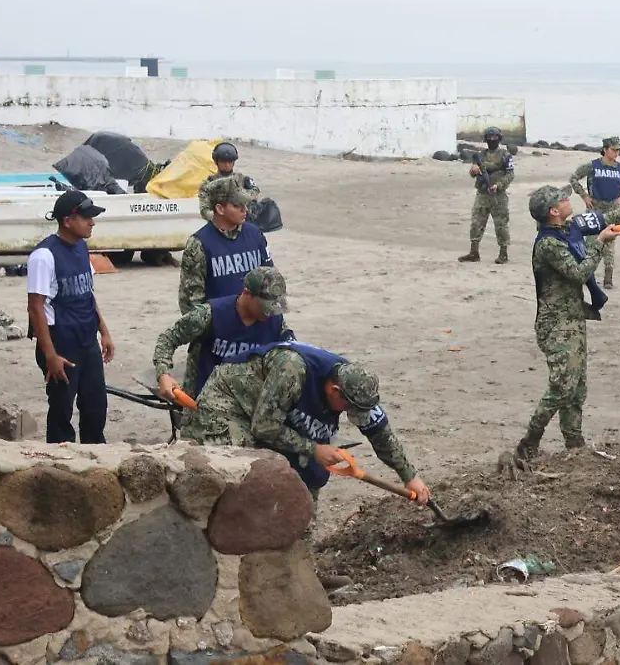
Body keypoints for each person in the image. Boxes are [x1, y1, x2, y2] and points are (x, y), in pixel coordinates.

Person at [514, 185, 620, 459]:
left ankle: (574, 445)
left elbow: (613, 216)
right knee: (562, 386)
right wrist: (599, 243)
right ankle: (530, 441)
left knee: (577, 388)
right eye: (563, 199)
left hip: (574, 319)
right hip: (555, 326)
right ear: (553, 211)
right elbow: (578, 273)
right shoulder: (548, 243)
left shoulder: (572, 227)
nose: (568, 200)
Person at [183, 340, 430, 505]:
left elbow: (380, 433)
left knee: (311, 473)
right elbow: (264, 427)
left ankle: (301, 554)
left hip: (279, 410)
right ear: (334, 390)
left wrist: (409, 476)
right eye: (348, 408)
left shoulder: (357, 388)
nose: (352, 414)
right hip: (231, 403)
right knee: (244, 472)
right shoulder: (293, 369)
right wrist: (313, 448)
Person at [27, 190, 116, 445]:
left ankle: (95, 454)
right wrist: (50, 356)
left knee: (96, 407)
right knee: (61, 409)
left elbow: (87, 294)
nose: (92, 222)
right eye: (86, 218)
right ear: (67, 221)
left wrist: (104, 332)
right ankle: (59, 458)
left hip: (86, 339)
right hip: (61, 342)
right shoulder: (44, 256)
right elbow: (35, 308)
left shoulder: (81, 247)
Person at [153, 266, 295, 401]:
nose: (270, 313)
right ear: (247, 293)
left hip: (250, 401)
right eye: (265, 306)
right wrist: (163, 374)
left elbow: (294, 354)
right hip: (207, 399)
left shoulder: (275, 321)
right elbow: (168, 339)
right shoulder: (210, 315)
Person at [179, 177, 274, 314]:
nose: (245, 209)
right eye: (237, 205)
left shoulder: (255, 235)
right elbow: (190, 302)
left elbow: (270, 281)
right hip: (220, 322)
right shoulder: (199, 244)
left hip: (255, 319)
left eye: (245, 204)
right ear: (220, 209)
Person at [568, 136, 620, 289]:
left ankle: (608, 277)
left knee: (610, 244)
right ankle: (588, 275)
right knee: (591, 242)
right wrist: (584, 196)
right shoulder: (593, 166)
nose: (616, 153)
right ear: (605, 150)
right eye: (613, 150)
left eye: (618, 150)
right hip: (594, 208)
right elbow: (573, 178)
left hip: (613, 209)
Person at [458, 127, 515, 264]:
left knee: (501, 225)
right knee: (476, 223)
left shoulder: (505, 156)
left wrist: (499, 185)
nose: (491, 140)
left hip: (498, 195)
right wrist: (474, 170)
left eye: (494, 137)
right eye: (489, 138)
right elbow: (472, 173)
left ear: (499, 139)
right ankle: (474, 252)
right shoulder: (480, 155)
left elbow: (510, 174)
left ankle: (503, 253)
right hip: (482, 194)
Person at [197, 142, 260, 221]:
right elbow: (204, 210)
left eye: (230, 162)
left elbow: (254, 194)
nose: (227, 165)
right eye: (223, 161)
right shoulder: (208, 184)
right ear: (217, 162)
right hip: (219, 222)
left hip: (242, 220)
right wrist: (223, 217)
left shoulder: (243, 179)